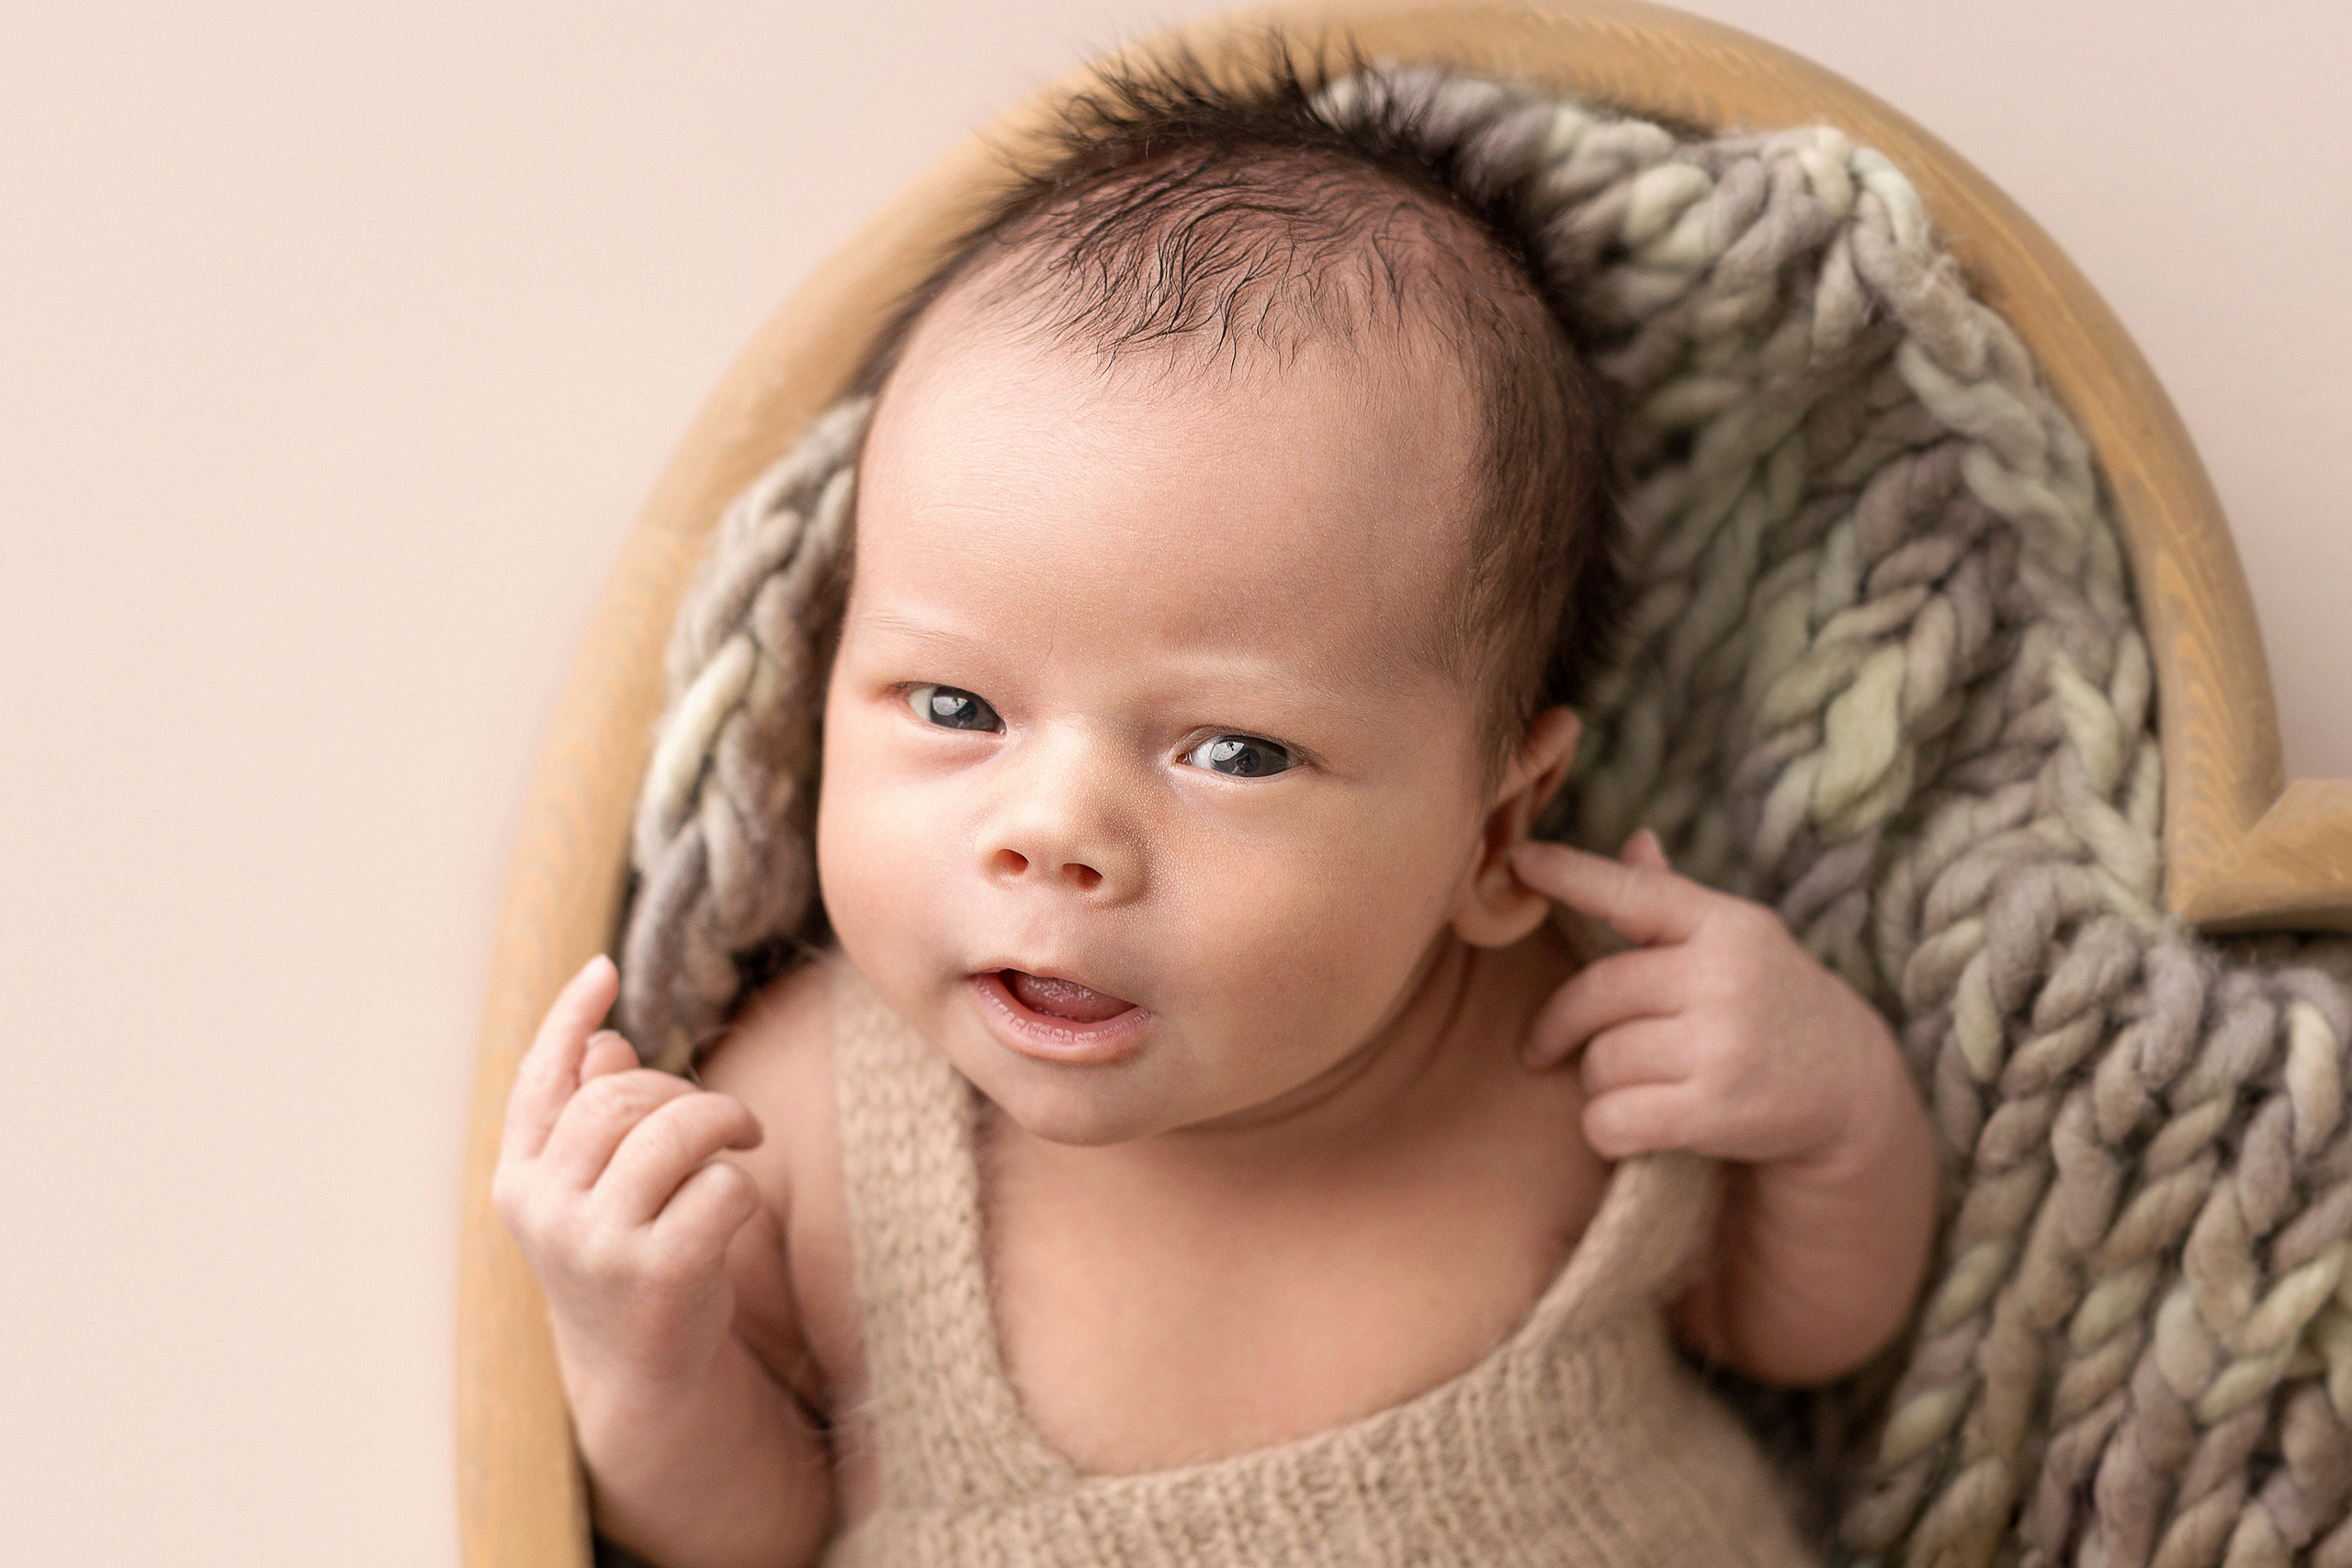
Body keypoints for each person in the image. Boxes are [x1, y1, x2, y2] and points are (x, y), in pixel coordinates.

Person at [492, 49, 1941, 1568]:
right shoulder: (816, 1117)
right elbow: (750, 1539)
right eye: (956, 710)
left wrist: (1834, 1114)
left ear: (1498, 831)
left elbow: (1803, 1328)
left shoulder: (1576, 1055)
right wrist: (642, 1352)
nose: (1053, 833)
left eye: (1234, 753)